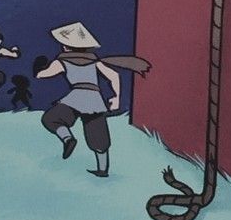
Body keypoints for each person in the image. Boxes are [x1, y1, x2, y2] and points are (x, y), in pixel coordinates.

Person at [34, 22, 152, 178]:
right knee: (98, 135)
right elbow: (114, 76)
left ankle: (68, 138)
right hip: (94, 99)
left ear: (66, 46)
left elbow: (43, 75)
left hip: (75, 98)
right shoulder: (95, 61)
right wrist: (116, 98)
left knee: (51, 118)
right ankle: (103, 170)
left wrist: (38, 67)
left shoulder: (62, 61)